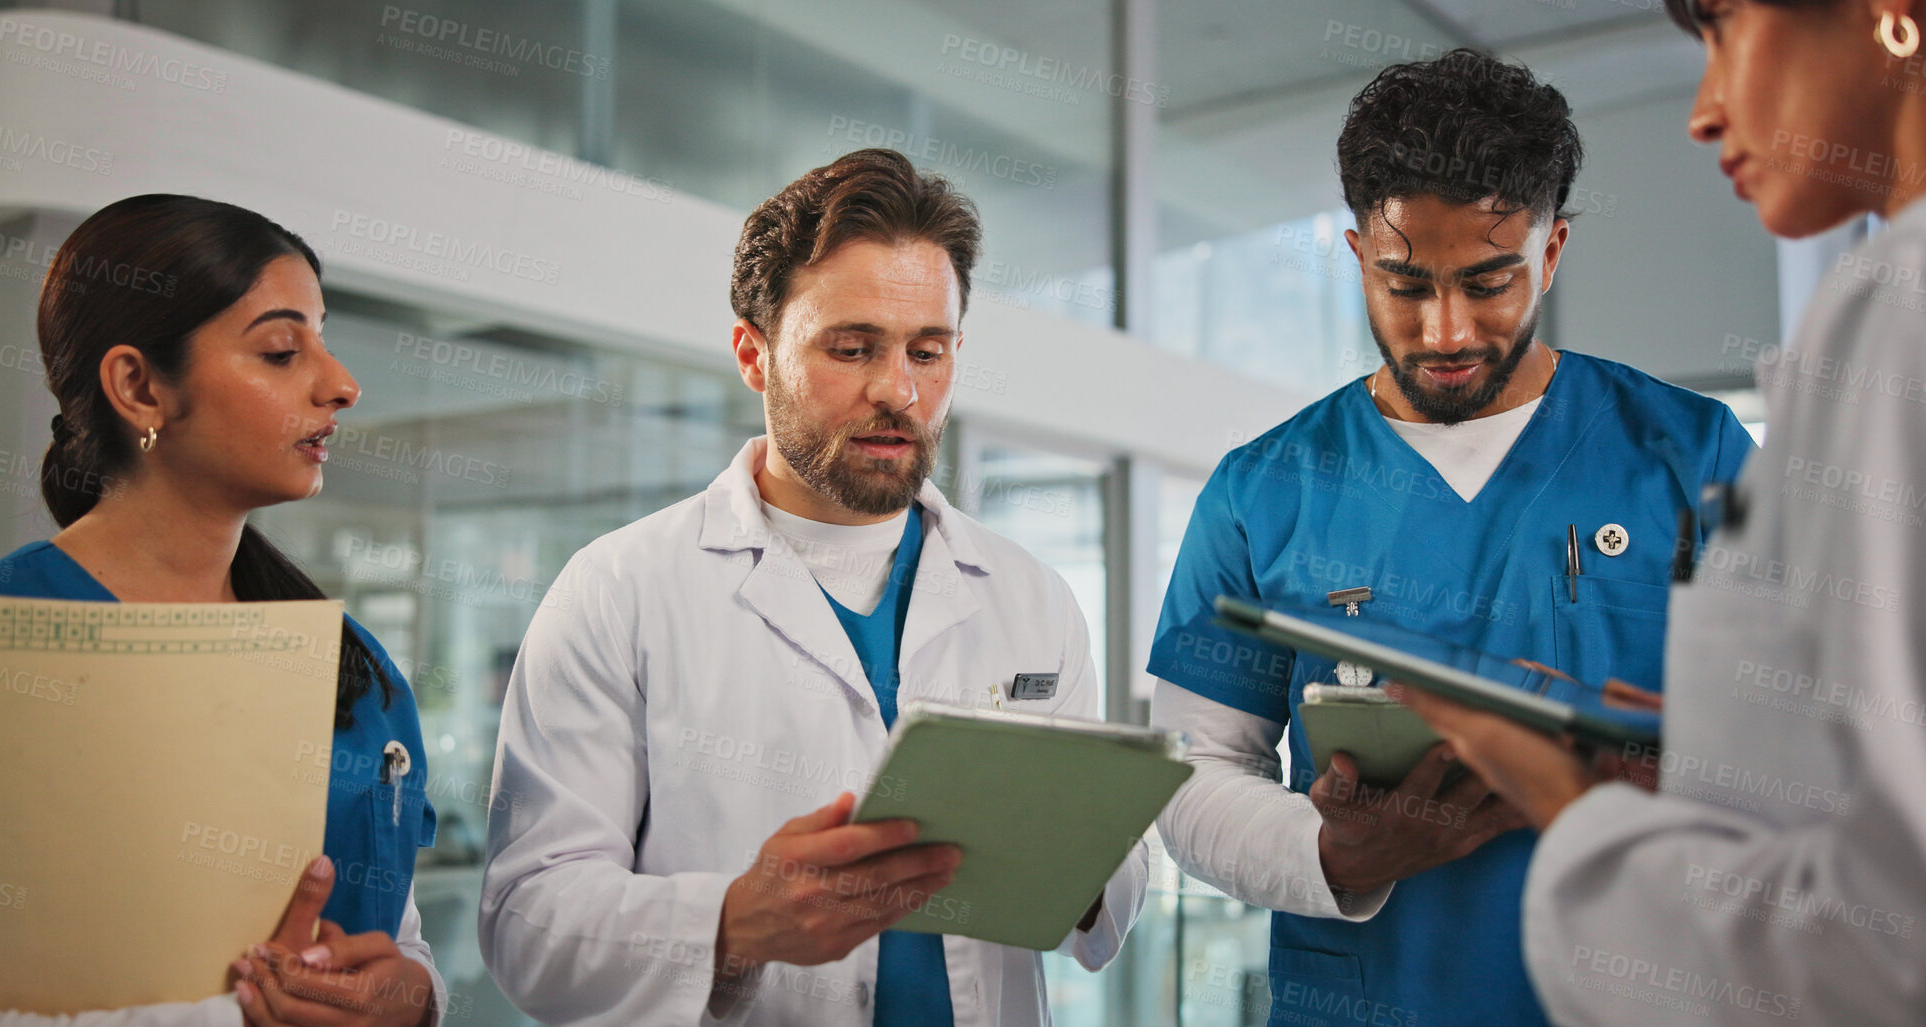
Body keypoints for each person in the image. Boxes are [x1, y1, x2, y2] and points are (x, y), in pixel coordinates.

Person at [1147, 50, 1757, 1026]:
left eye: (1488, 283)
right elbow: (1192, 771)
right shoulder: (1261, 491)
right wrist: (1330, 852)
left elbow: (1821, 750)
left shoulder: (1695, 456)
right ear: (1356, 258)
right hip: (1365, 993)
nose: (1445, 330)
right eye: (1404, 283)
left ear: (1551, 251)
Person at [477, 148, 1146, 1025]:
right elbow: (528, 921)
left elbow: (1107, 901)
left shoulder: (1030, 596)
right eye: (852, 347)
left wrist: (1085, 864)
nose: (898, 390)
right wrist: (732, 923)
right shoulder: (617, 590)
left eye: (927, 350)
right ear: (753, 356)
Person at [1393, 4, 1926, 1023]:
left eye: (1724, 29)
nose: (1704, 110)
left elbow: (1882, 943)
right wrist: (1706, 754)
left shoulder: (1895, 307)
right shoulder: (1267, 477)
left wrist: (1567, 802)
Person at [0, 195, 445, 1027]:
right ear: (137, 384)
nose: (340, 384)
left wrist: (413, 993)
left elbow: (395, 931)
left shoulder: (355, 668)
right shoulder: (4, 638)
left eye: (323, 341)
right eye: (279, 350)